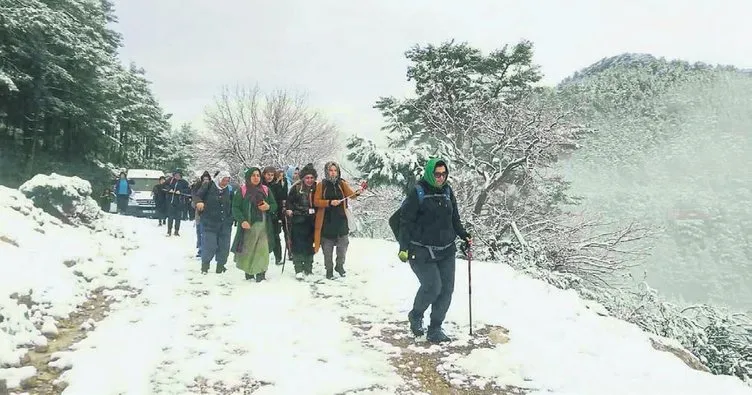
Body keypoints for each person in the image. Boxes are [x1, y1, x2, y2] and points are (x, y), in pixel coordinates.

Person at [398, 158, 471, 343]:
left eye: (444, 174)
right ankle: (416, 315)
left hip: (446, 249)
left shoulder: (447, 191)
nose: (441, 178)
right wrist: (403, 248)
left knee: (446, 290)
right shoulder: (418, 192)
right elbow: (405, 222)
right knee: (433, 287)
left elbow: (455, 218)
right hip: (420, 251)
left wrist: (464, 235)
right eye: (437, 174)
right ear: (430, 173)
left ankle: (435, 328)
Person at [313, 161, 361, 279]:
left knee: (343, 245)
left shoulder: (342, 183)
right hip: (326, 220)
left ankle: (340, 265)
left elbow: (352, 195)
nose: (333, 173)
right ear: (327, 171)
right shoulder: (321, 185)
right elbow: (316, 201)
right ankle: (328, 269)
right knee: (327, 248)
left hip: (341, 220)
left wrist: (358, 192)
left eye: (335, 171)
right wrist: (329, 202)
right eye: (331, 170)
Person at [231, 167, 277, 282]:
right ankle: (249, 271)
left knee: (262, 250)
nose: (256, 178)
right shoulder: (242, 190)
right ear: (248, 177)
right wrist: (242, 221)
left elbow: (274, 205)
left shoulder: (266, 190)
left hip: (263, 226)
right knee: (249, 249)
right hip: (248, 226)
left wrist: (268, 207)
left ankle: (261, 273)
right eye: (253, 175)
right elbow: (235, 208)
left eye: (258, 175)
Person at [194, 171, 233, 274]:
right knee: (209, 245)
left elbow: (233, 203)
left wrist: (231, 217)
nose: (225, 182)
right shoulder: (209, 186)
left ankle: (220, 267)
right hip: (209, 222)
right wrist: (199, 202)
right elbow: (197, 196)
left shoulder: (229, 190)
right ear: (219, 179)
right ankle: (205, 266)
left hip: (225, 223)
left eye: (227, 180)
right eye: (224, 180)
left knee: (224, 246)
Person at [285, 163, 317, 279]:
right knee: (297, 246)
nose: (309, 180)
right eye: (307, 178)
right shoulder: (296, 188)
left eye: (312, 178)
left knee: (309, 246)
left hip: (311, 222)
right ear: (303, 178)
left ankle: (308, 268)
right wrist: (290, 210)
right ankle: (298, 268)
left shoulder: (316, 188)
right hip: (298, 221)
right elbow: (289, 203)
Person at [262, 166, 287, 266]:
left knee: (276, 236)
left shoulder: (276, 186)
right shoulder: (260, 185)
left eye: (272, 175)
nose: (270, 177)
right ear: (264, 175)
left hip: (275, 214)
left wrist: (280, 215)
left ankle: (278, 257)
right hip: (263, 214)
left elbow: (281, 199)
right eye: (268, 175)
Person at [164, 170, 191, 237]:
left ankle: (176, 231)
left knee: (178, 217)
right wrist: (169, 189)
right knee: (170, 217)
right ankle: (169, 231)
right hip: (171, 201)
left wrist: (180, 191)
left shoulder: (184, 182)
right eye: (176, 175)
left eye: (178, 175)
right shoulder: (170, 180)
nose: (177, 176)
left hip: (180, 202)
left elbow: (188, 190)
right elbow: (165, 185)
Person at [192, 171, 211, 256]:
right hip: (199, 212)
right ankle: (200, 248)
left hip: (209, 212)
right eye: (204, 179)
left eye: (207, 179)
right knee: (199, 230)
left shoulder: (211, 188)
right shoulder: (198, 187)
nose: (206, 181)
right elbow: (194, 197)